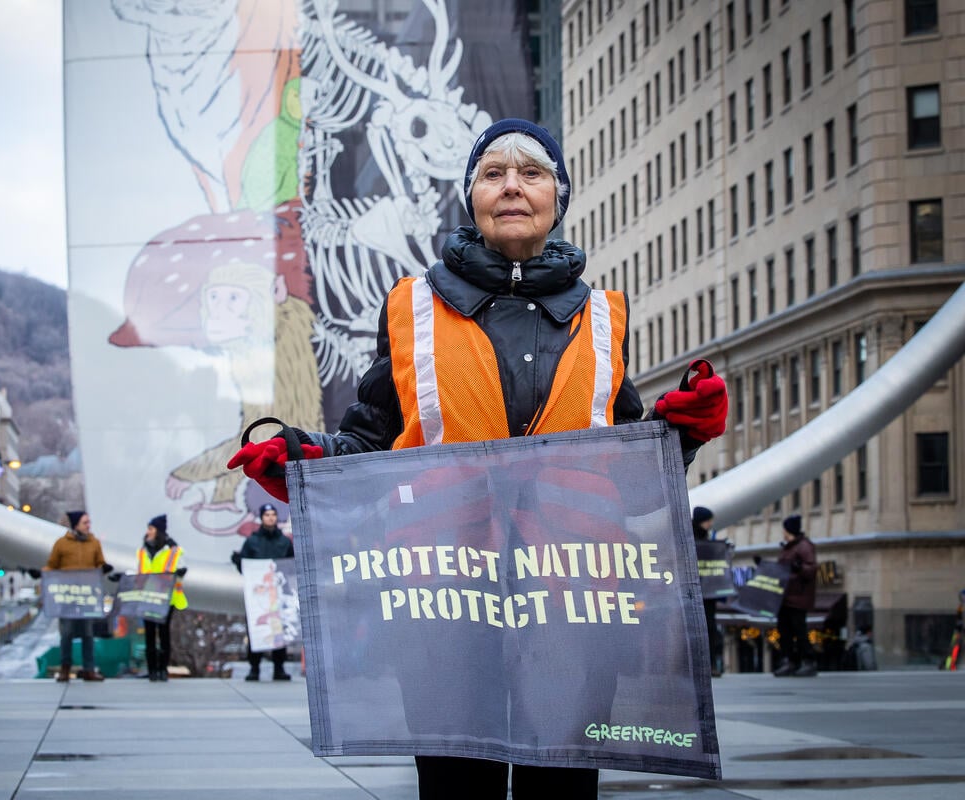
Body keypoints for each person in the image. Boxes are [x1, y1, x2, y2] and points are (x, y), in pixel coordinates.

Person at [228, 118, 728, 798]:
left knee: (563, 792)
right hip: (444, 605)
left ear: (559, 195)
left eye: (532, 173)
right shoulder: (412, 310)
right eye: (494, 174)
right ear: (472, 197)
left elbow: (634, 485)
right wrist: (300, 463)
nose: (513, 188)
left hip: (573, 606)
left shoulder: (606, 319)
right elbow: (369, 444)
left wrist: (684, 435)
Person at [45, 510, 110, 682]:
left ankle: (89, 668)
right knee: (66, 633)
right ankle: (65, 668)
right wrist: (40, 574)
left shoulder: (94, 543)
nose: (88, 526)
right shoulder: (61, 544)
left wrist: (104, 568)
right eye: (85, 523)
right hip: (68, 595)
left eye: (89, 523)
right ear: (76, 525)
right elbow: (52, 566)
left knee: (88, 633)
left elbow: (99, 563)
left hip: (86, 596)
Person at [231, 503, 294, 682]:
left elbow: (290, 566)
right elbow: (245, 566)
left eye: (273, 515)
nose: (271, 518)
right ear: (262, 518)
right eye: (267, 515)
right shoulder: (252, 542)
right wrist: (238, 561)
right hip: (258, 594)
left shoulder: (284, 542)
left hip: (278, 593)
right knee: (257, 628)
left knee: (278, 629)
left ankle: (279, 667)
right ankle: (254, 667)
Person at [138, 514, 188, 682]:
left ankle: (162, 669)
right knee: (149, 635)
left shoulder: (173, 550)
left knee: (164, 633)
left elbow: (181, 567)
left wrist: (180, 572)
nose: (148, 532)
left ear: (158, 531)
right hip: (148, 596)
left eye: (151, 529)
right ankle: (152, 669)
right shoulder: (143, 550)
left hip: (167, 597)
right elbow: (140, 571)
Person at [774, 514, 818, 677]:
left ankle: (807, 660)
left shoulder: (804, 547)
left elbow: (811, 569)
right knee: (784, 631)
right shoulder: (789, 547)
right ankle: (789, 660)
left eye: (785, 529)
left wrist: (798, 567)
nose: (783, 532)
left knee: (799, 630)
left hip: (797, 597)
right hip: (785, 597)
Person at [692, 506, 724, 677]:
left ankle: (709, 663)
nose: (710, 524)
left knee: (709, 628)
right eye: (708, 520)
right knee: (700, 628)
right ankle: (702, 664)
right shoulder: (691, 539)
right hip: (699, 591)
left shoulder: (706, 539)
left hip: (707, 592)